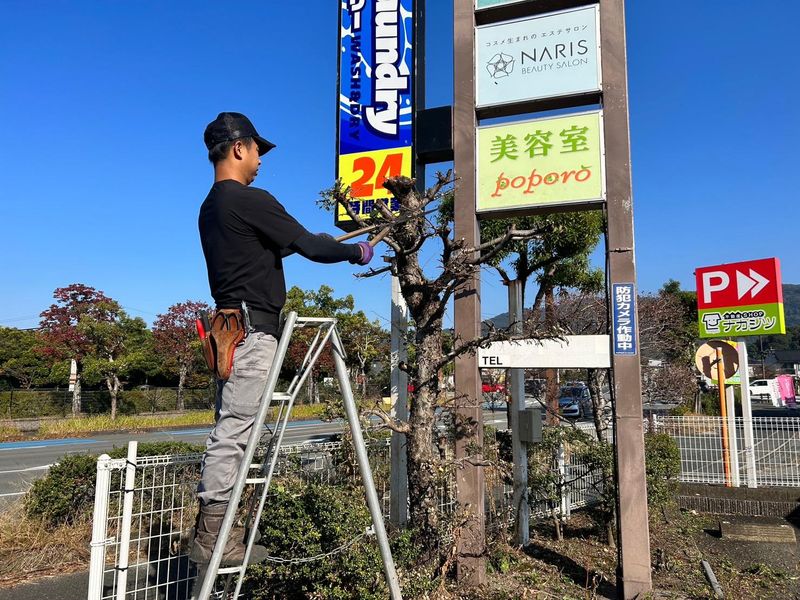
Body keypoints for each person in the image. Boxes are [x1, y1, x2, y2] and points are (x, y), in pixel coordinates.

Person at [191, 112, 374, 565]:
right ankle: (213, 537)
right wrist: (355, 251)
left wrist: (311, 241)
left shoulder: (212, 207)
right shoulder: (249, 199)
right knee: (234, 432)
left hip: (229, 331)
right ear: (238, 148)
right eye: (257, 151)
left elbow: (281, 245)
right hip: (252, 333)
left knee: (233, 428)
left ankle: (220, 531)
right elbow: (310, 247)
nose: (260, 161)